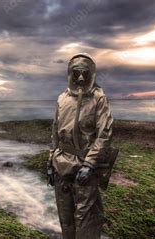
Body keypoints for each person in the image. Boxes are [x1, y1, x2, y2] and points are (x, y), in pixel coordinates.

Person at [48, 53, 114, 239]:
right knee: (65, 214)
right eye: (76, 73)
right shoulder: (62, 98)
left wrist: (90, 164)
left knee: (86, 216)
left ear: (91, 73)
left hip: (84, 166)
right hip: (61, 163)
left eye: (85, 73)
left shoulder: (99, 99)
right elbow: (55, 130)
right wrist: (51, 159)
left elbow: (105, 134)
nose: (81, 78)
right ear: (70, 73)